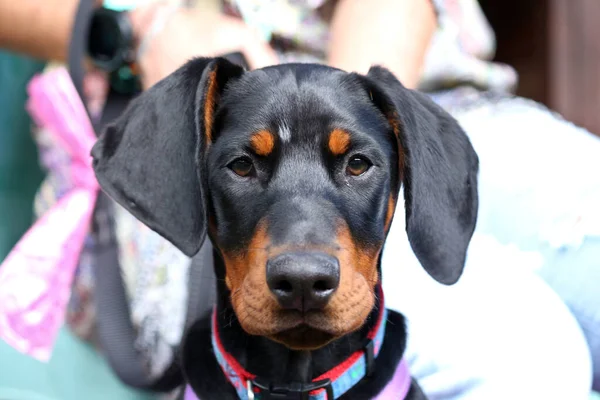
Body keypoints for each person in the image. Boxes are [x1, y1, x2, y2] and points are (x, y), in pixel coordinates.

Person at [0, 0, 598, 398]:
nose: (306, 265)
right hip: (176, 107)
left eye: (356, 163)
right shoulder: (193, 124)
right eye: (243, 166)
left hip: (421, 96)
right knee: (534, 355)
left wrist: (338, 104)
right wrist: (149, 21)